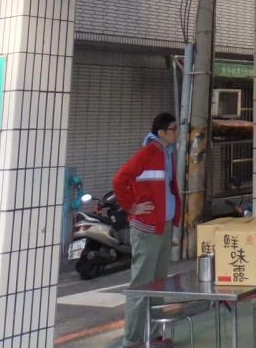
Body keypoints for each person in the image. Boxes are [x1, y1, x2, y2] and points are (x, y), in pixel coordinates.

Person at [114, 112, 181, 348]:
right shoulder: (148, 153)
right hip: (148, 229)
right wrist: (132, 207)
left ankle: (153, 335)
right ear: (161, 132)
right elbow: (119, 180)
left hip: (162, 226)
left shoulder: (167, 154)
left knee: (158, 283)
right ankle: (133, 340)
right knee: (142, 284)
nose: (177, 133)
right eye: (173, 129)